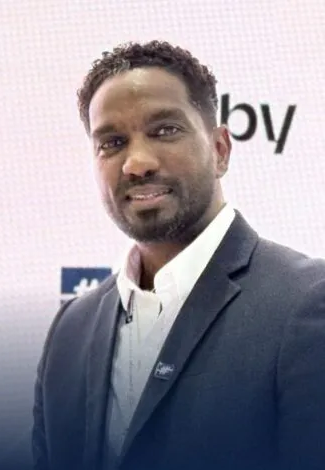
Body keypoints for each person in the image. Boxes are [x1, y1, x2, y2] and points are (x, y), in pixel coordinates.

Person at [32, 40, 325, 470]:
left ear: (221, 149)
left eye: (164, 130)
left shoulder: (306, 303)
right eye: (111, 142)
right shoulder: (70, 332)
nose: (137, 162)